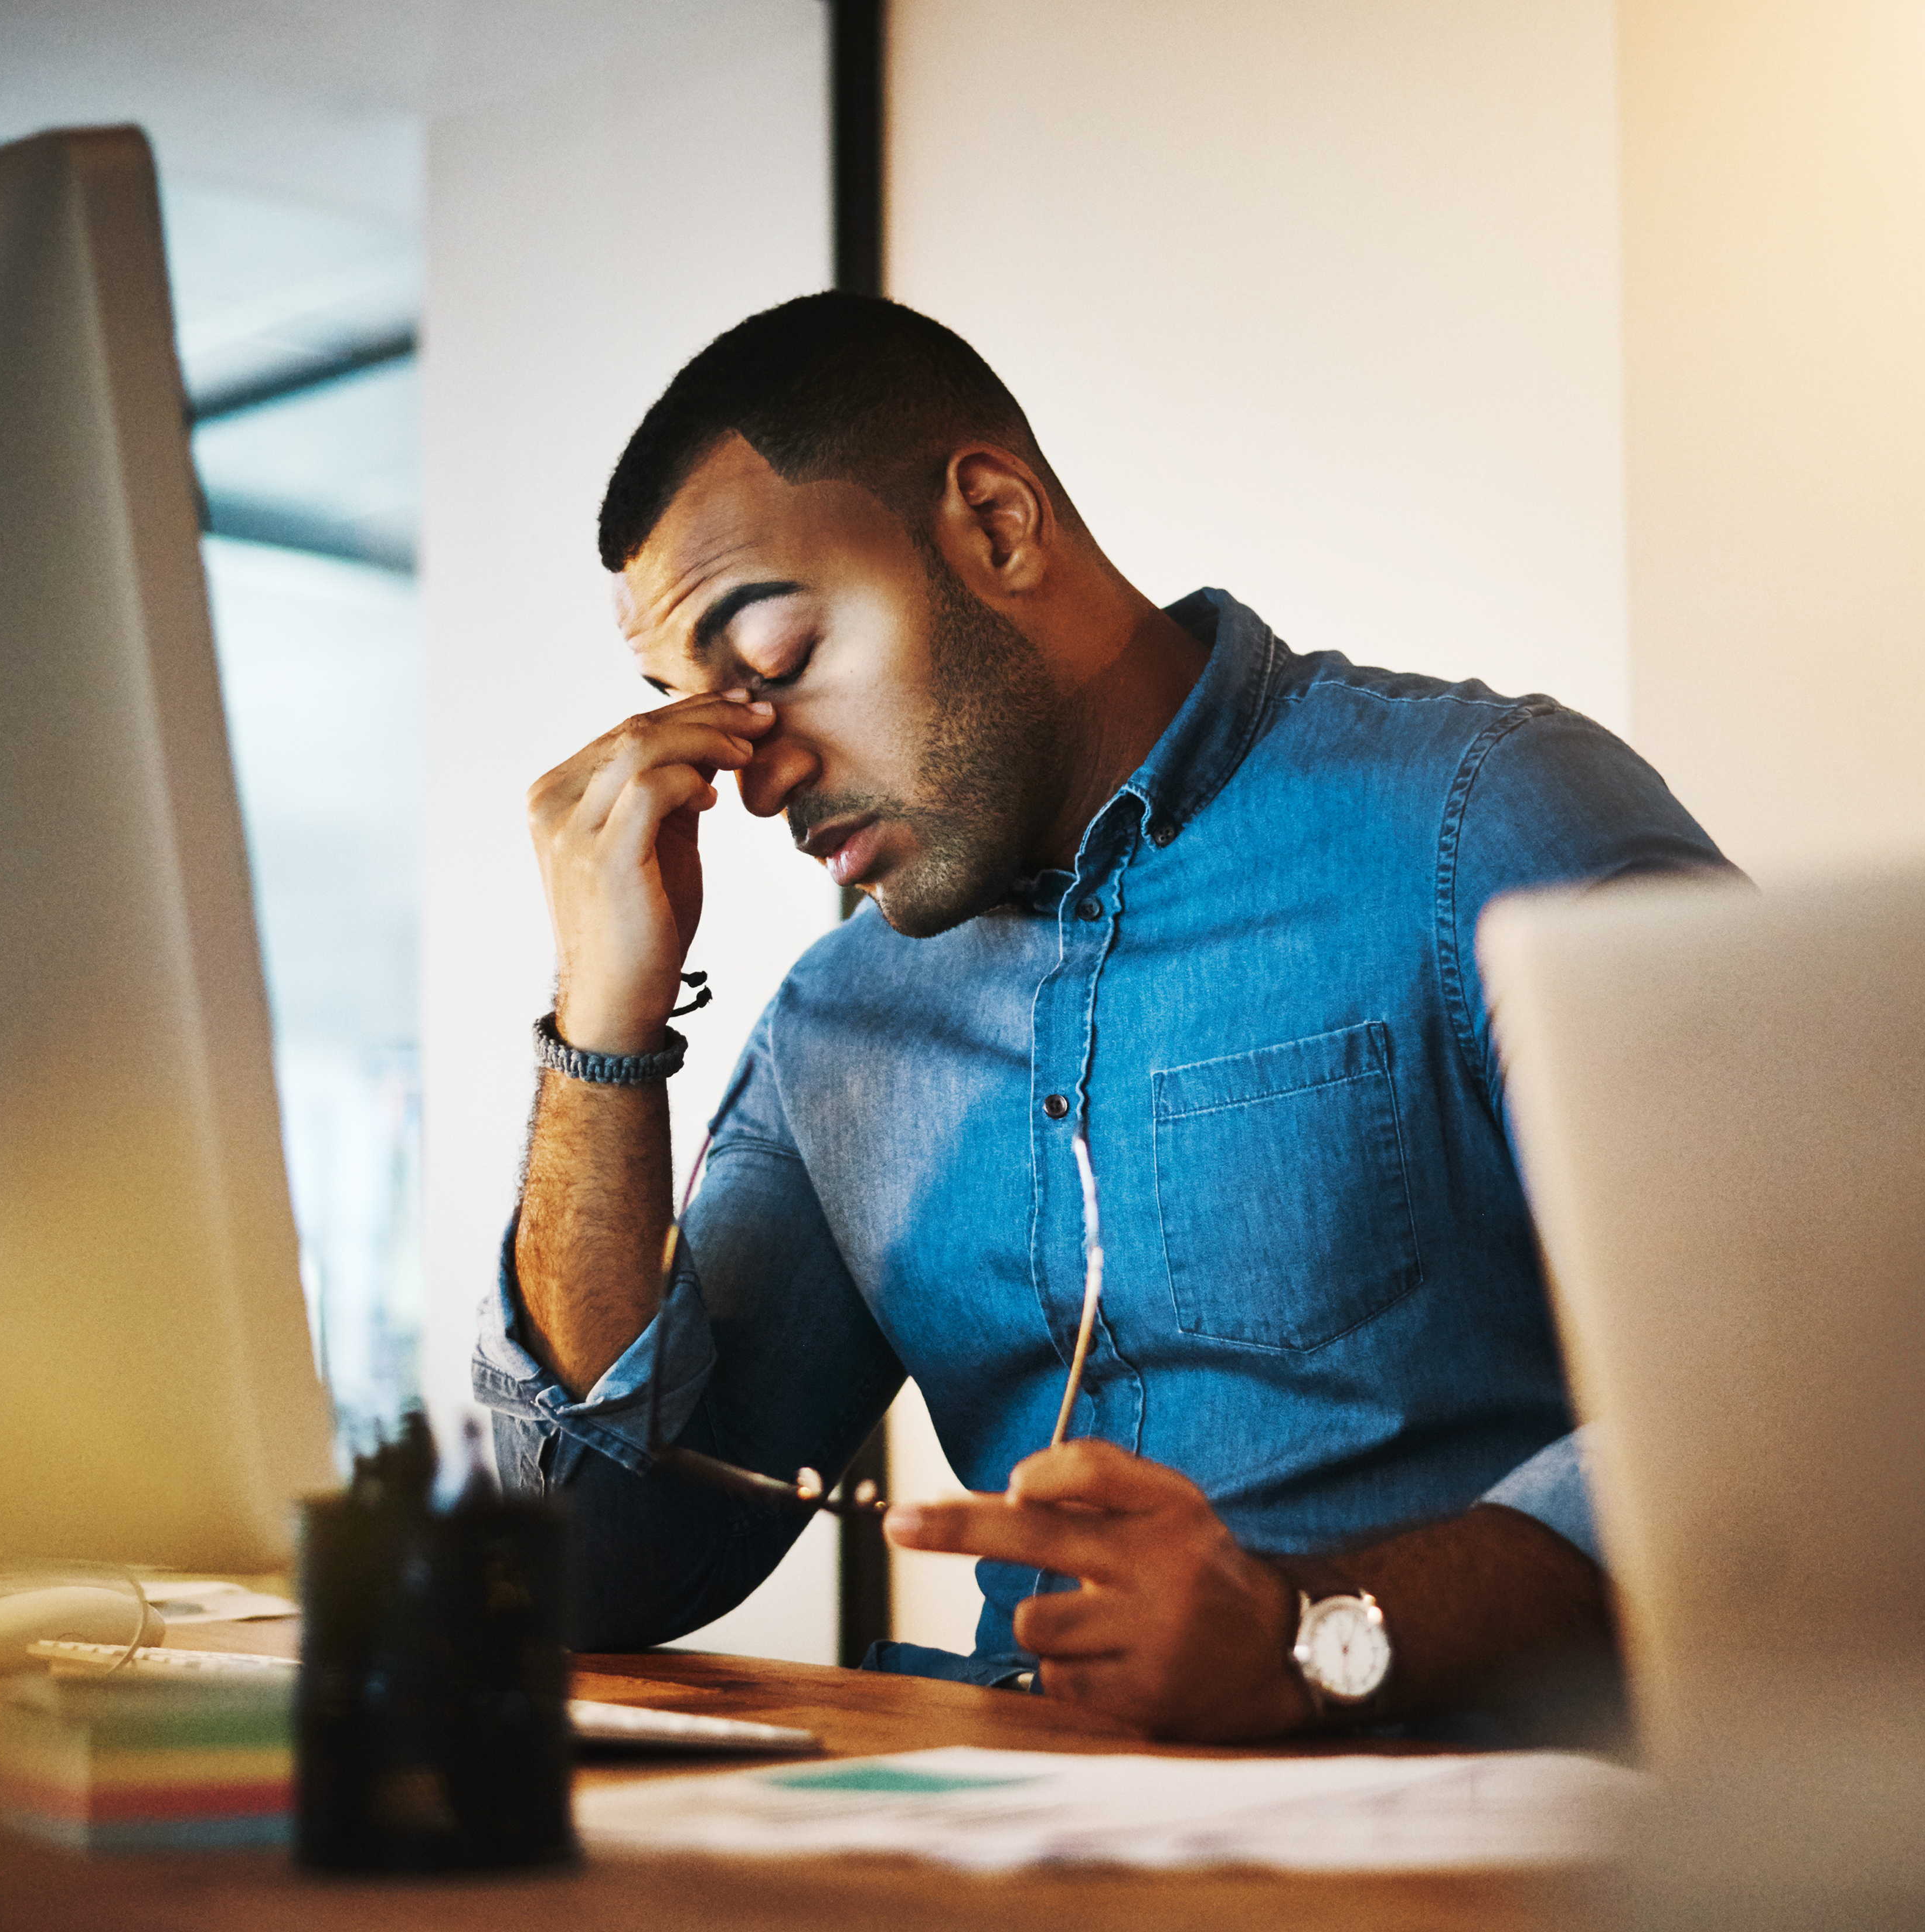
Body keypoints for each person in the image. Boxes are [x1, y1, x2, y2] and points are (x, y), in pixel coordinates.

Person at [475, 292, 1736, 1740]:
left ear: (996, 527)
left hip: (1454, 1859)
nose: (752, 776)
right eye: (695, 711)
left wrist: (1307, 1633)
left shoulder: (1486, 822)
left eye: (769, 664)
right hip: (1019, 1847)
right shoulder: (843, 1023)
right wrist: (602, 1024)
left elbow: (1803, 1395)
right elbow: (594, 1571)